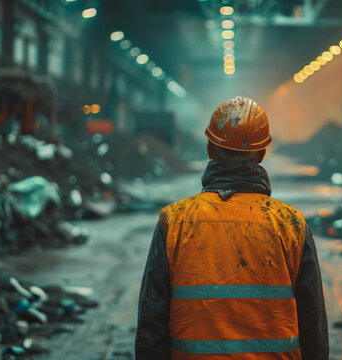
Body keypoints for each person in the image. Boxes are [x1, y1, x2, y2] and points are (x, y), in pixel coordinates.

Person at [135, 96, 329, 359]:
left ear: (210, 150)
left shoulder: (175, 221)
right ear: (261, 154)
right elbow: (312, 324)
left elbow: (151, 322)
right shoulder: (291, 224)